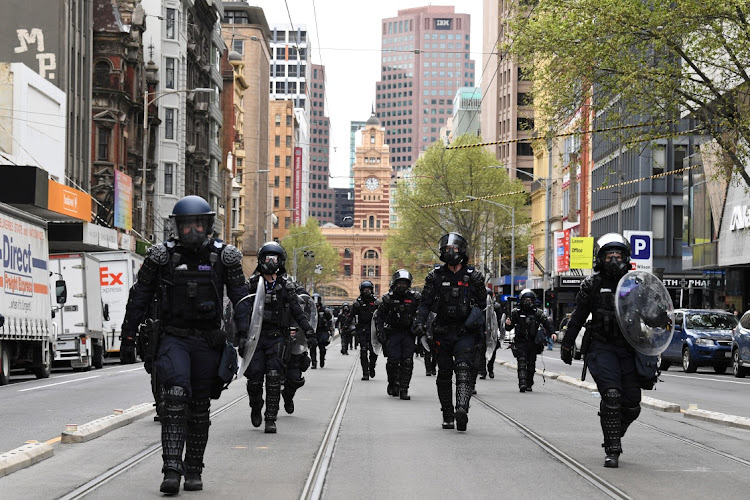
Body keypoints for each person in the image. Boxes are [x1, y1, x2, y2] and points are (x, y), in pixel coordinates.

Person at [121, 195, 250, 494]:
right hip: (174, 337)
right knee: (175, 398)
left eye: (198, 225)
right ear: (177, 227)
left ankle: (194, 469)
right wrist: (128, 336)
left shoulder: (225, 256)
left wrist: (244, 336)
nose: (192, 231)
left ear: (207, 225)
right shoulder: (160, 257)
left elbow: (242, 299)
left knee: (200, 408)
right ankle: (171, 469)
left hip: (209, 340)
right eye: (186, 226)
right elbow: (139, 295)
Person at [560, 233, 638, 468]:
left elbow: (651, 311)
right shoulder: (592, 284)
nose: (614, 259)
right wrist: (566, 343)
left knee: (632, 403)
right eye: (609, 255)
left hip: (629, 347)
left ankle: (615, 428)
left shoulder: (636, 283)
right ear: (600, 258)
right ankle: (612, 447)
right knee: (612, 395)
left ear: (626, 257)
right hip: (601, 346)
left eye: (618, 255)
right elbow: (578, 317)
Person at [416, 232, 487, 432]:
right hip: (442, 331)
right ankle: (447, 414)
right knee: (444, 374)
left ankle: (462, 409)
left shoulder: (475, 277)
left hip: (465, 332)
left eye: (453, 249)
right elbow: (425, 304)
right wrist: (420, 324)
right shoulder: (435, 277)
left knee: (464, 368)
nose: (450, 252)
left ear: (462, 251)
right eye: (446, 249)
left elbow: (484, 306)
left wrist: (481, 330)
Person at [243, 242, 314, 434]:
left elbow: (298, 312)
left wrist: (308, 331)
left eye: (274, 259)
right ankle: (256, 406)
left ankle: (271, 418)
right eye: (267, 258)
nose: (271, 262)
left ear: (280, 261)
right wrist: (240, 336)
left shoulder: (286, 287)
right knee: (255, 378)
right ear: (261, 260)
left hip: (277, 338)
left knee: (274, 376)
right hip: (256, 339)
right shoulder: (251, 285)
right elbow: (240, 311)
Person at [375, 270, 421, 400]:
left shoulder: (415, 298)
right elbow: (379, 316)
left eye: (405, 283)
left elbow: (422, 313)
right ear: (395, 284)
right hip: (393, 333)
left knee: (407, 361)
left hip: (408, 333)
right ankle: (392, 383)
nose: (402, 286)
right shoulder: (388, 299)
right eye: (400, 283)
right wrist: (380, 331)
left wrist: (420, 327)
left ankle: (404, 389)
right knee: (393, 361)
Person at [505, 289, 556, 393]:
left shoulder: (538, 313)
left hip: (533, 343)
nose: (528, 302)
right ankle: (522, 383)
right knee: (522, 362)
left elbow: (547, 323)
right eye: (526, 299)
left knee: (531, 364)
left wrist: (553, 333)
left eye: (530, 300)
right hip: (520, 342)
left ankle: (529, 383)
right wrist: (508, 324)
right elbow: (508, 328)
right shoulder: (516, 312)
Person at [282, 285, 314, 416]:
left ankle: (288, 397)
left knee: (295, 378)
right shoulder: (276, 295)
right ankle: (268, 411)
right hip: (278, 339)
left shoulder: (299, 296)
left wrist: (309, 333)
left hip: (297, 341)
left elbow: (306, 316)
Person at [347, 280, 379, 381]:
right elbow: (351, 316)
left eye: (368, 290)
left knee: (373, 350)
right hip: (362, 329)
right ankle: (365, 372)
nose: (367, 292)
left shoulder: (376, 302)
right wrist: (346, 327)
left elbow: (381, 315)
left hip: (373, 329)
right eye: (365, 290)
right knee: (363, 351)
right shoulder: (358, 303)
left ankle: (372, 366)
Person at [484, 288, 504, 379]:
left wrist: (500, 333)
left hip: (493, 333)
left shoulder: (497, 307)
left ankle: (490, 369)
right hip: (482, 332)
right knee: (480, 352)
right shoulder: (479, 306)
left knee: (493, 351)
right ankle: (482, 370)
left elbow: (500, 321)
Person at [311, 294, 334, 367]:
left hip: (322, 330)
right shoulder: (310, 310)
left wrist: (330, 330)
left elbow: (330, 320)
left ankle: (322, 359)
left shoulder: (324, 310)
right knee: (312, 346)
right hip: (314, 330)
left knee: (322, 347)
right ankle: (314, 362)